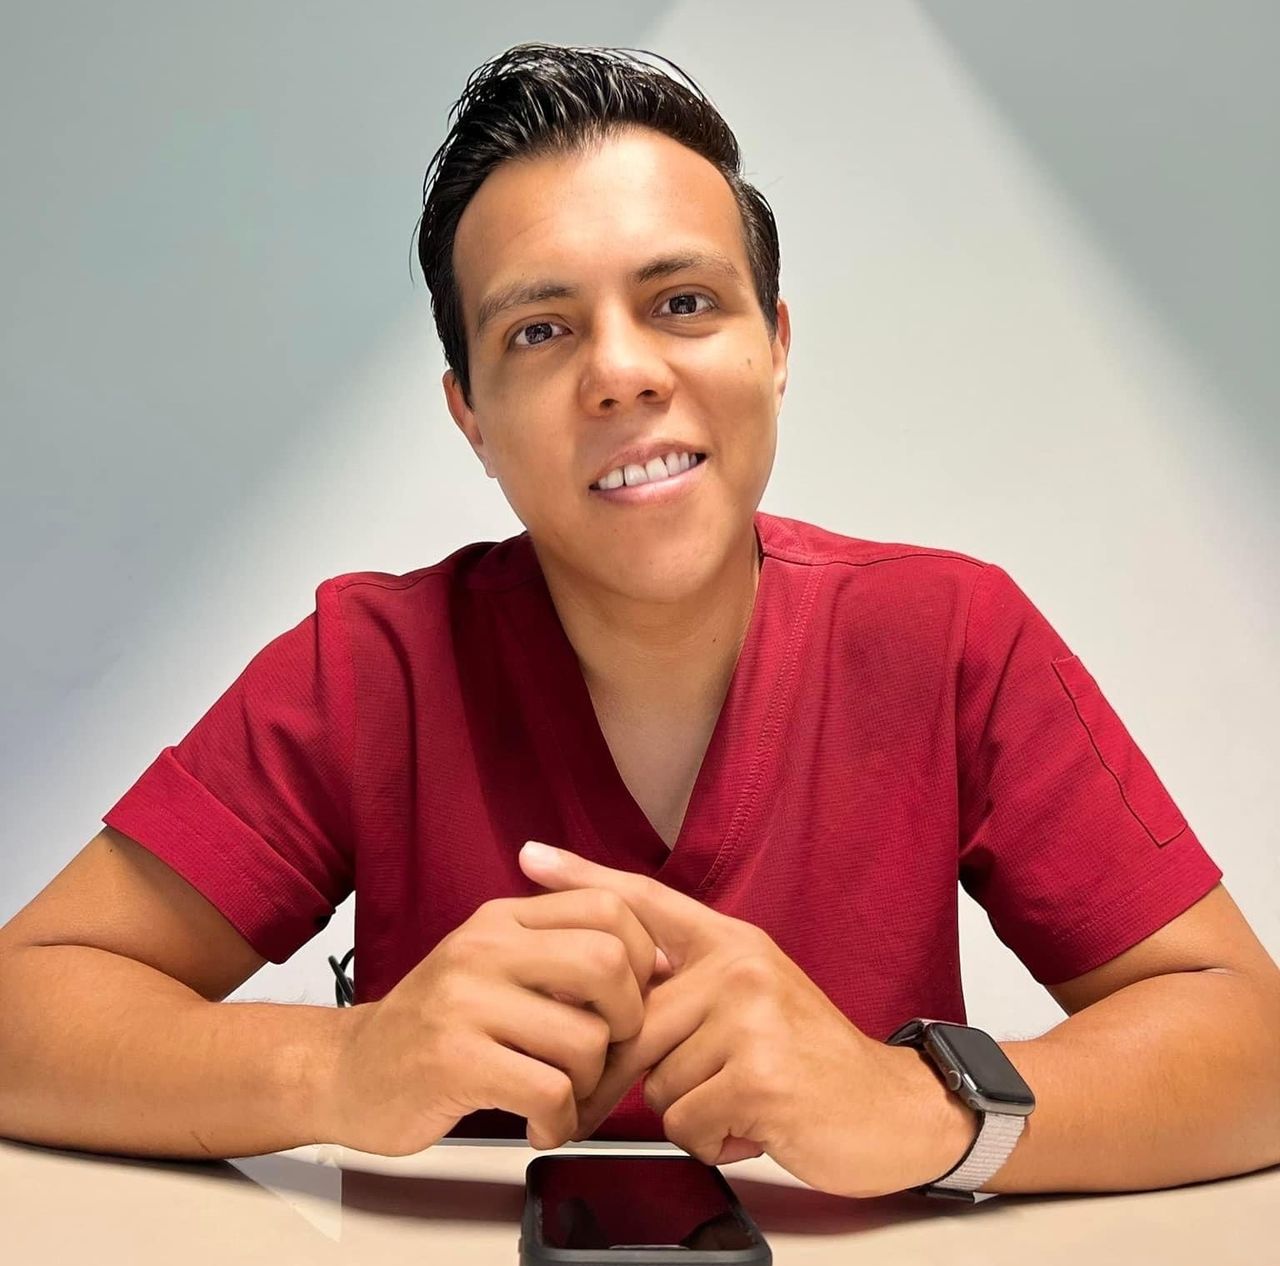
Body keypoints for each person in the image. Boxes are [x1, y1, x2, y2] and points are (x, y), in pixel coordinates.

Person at [1, 43, 1278, 1202]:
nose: (620, 372)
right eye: (540, 329)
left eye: (681, 302)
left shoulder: (947, 636)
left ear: (774, 345)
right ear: (470, 416)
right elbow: (24, 1006)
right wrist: (338, 1063)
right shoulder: (366, 669)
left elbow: (1249, 1044)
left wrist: (919, 1105)